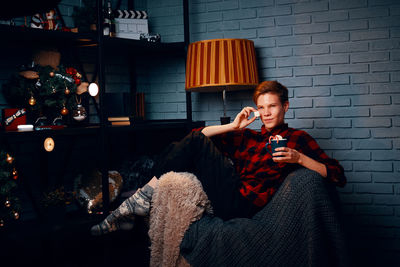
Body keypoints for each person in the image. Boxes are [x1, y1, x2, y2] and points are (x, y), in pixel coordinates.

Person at [90, 80, 346, 236]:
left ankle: (136, 200)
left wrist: (299, 158)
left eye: (273, 106)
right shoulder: (247, 136)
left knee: (189, 144)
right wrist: (233, 127)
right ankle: (140, 199)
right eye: (262, 107)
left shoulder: (296, 138)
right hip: (229, 189)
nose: (267, 113)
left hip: (243, 205)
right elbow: (197, 136)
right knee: (192, 141)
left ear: (285, 107)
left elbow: (337, 174)